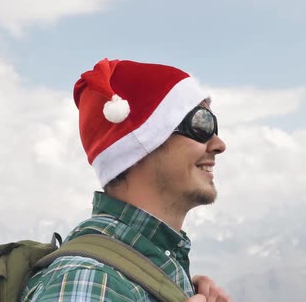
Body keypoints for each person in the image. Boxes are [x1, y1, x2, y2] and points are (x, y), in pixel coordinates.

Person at [21, 58, 231, 302]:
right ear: (141, 145)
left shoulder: (140, 272)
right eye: (201, 124)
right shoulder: (91, 280)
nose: (218, 145)